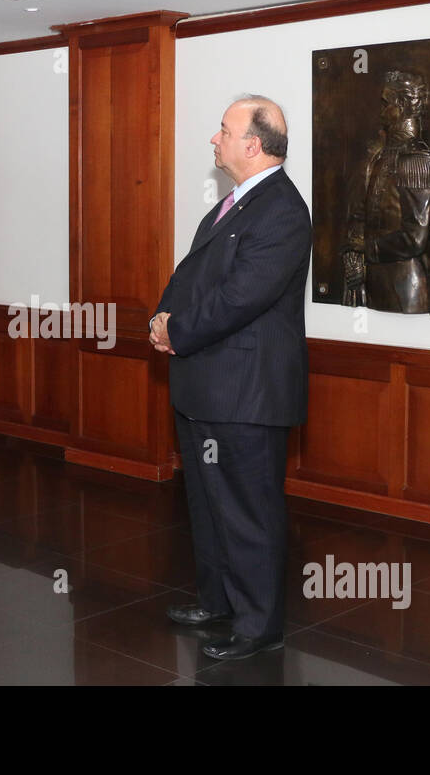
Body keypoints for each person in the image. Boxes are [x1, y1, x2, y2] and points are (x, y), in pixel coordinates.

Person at [149, 95, 311, 661]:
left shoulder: (283, 212)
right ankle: (218, 603)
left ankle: (258, 626)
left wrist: (180, 332)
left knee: (249, 512)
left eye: (223, 130)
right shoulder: (231, 206)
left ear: (253, 144)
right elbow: (189, 277)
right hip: (206, 388)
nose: (213, 140)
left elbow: (241, 299)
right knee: (209, 505)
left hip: (247, 393)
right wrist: (161, 318)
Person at [340, 69, 430, 317]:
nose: (381, 112)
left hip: (404, 290)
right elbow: (363, 216)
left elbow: (415, 238)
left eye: (386, 103)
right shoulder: (381, 156)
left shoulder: (415, 159)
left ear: (403, 105)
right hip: (378, 287)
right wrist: (354, 257)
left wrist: (364, 247)